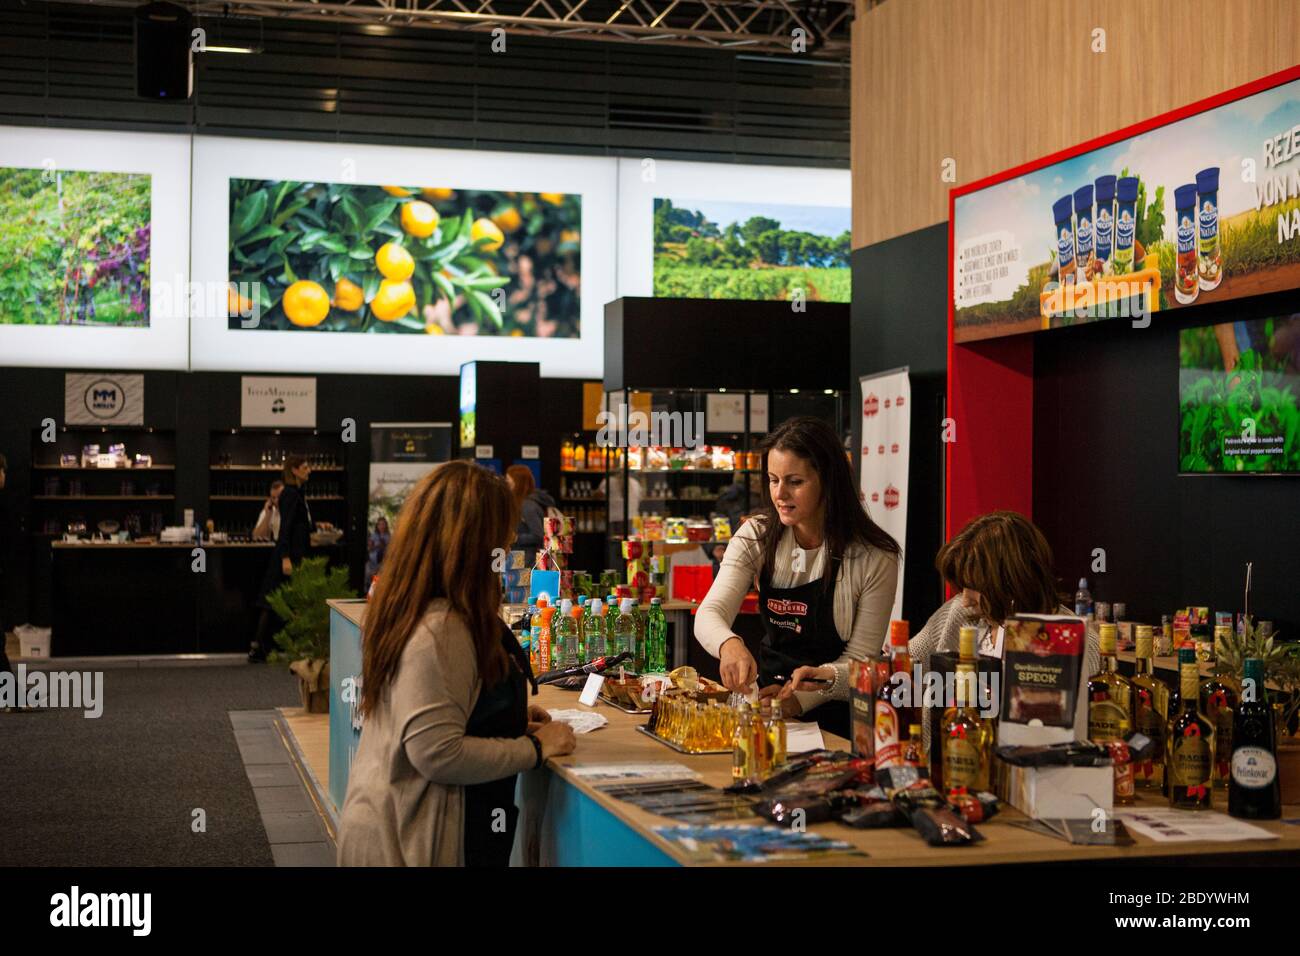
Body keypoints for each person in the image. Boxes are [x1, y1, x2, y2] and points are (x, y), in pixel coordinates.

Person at [337, 461, 576, 866]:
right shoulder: (442, 627)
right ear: (475, 540)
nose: (513, 537)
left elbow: (433, 712)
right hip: (412, 840)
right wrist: (534, 748)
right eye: (504, 527)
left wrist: (505, 720)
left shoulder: (415, 607)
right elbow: (436, 753)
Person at [782, 510, 1102, 751]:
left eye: (975, 587)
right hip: (942, 775)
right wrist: (829, 678)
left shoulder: (1073, 642)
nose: (965, 598)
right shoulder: (961, 616)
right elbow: (898, 671)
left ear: (1011, 582)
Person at [694, 416, 901, 739]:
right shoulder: (756, 537)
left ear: (828, 481)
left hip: (839, 720)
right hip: (769, 707)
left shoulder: (874, 555)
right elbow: (709, 613)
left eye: (795, 481)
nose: (780, 494)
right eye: (773, 480)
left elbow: (861, 662)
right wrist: (729, 644)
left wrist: (800, 700)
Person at [249, 456, 313, 662]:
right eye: (305, 467)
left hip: (295, 555)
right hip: (288, 557)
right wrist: (285, 557)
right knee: (271, 600)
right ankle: (258, 648)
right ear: (294, 470)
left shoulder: (298, 494)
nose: (309, 470)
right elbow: (286, 528)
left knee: (285, 601)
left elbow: (300, 526)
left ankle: (267, 647)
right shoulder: (290, 494)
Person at [505, 464, 556, 565]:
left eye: (509, 481)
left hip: (527, 561)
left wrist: (516, 538)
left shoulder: (527, 505)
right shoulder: (523, 502)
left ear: (517, 482)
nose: (506, 484)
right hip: (522, 558)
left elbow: (538, 535)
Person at [365, 516, 391, 582]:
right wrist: (377, 546)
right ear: (377, 526)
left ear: (386, 525)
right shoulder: (373, 536)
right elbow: (369, 549)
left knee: (377, 580)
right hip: (373, 562)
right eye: (380, 524)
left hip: (383, 562)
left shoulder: (389, 536)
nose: (382, 526)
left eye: (383, 524)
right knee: (369, 578)